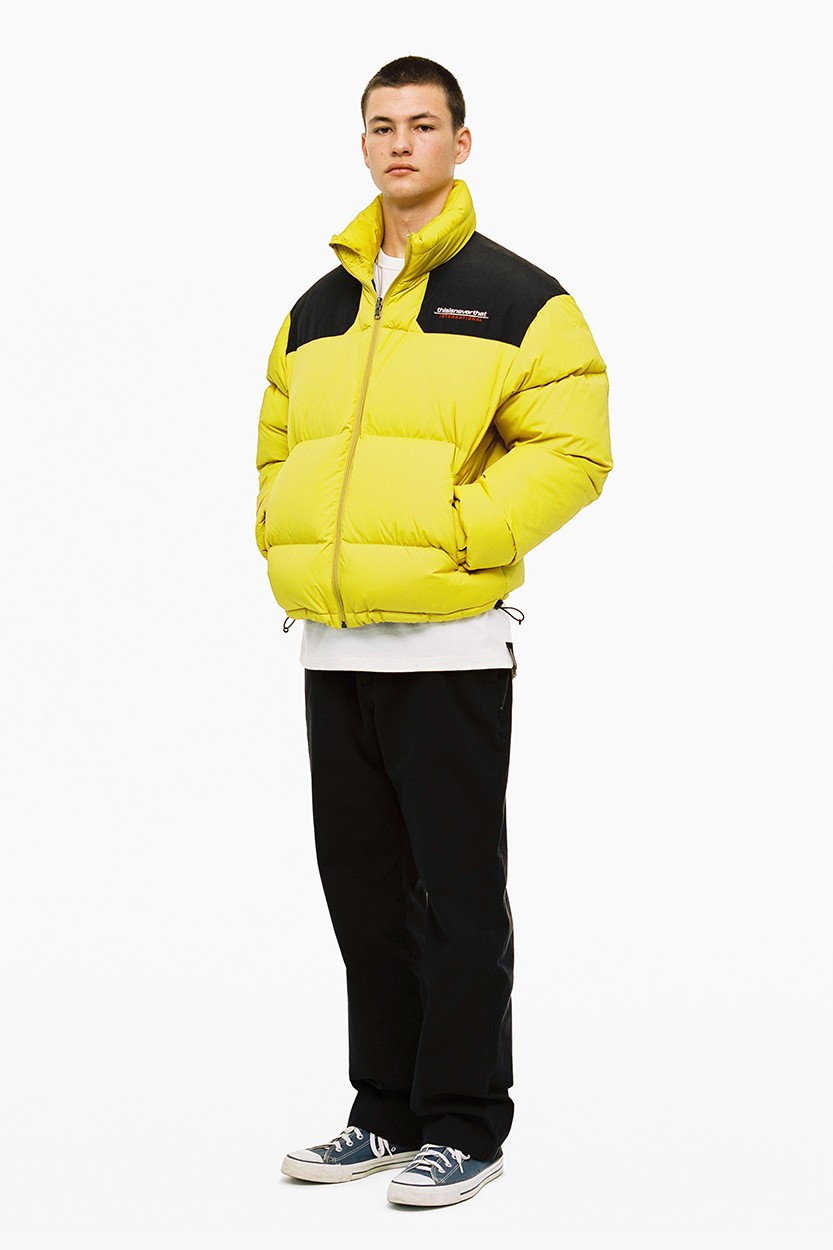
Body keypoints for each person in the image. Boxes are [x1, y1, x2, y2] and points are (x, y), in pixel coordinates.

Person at [255, 55, 612, 1208]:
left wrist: (460, 532)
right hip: (333, 645)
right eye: (380, 125)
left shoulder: (518, 298)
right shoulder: (316, 308)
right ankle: (385, 1107)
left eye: (421, 124)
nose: (399, 142)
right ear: (361, 144)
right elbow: (277, 446)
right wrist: (282, 536)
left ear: (461, 142)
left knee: (457, 897)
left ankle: (464, 1120)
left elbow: (572, 449)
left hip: (449, 646)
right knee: (363, 894)